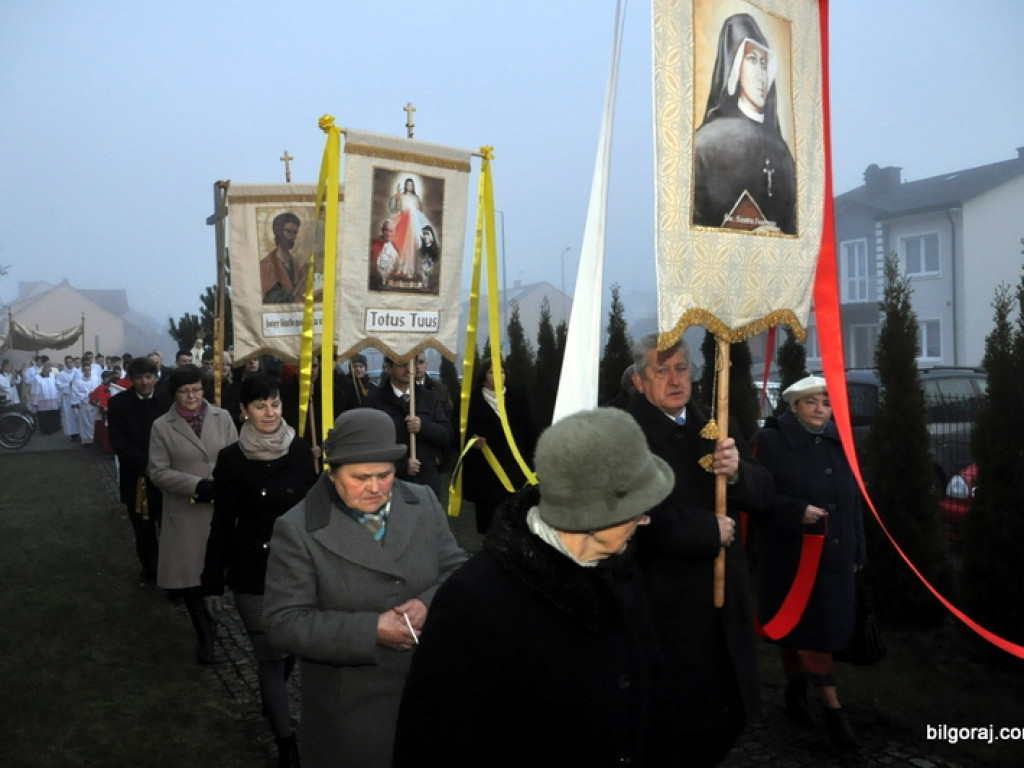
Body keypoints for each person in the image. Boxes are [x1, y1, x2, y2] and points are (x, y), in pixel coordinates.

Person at [394, 408, 677, 767]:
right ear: (589, 513)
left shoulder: (622, 569)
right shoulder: (476, 599)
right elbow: (432, 744)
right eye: (637, 511)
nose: (643, 521)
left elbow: (653, 699)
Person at [262, 408, 466, 768]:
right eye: (361, 477)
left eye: (385, 475)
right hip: (351, 717)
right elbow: (284, 623)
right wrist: (370, 630)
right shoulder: (296, 529)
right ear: (332, 472)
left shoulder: (423, 503)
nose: (375, 488)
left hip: (431, 698)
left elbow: (457, 573)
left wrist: (427, 602)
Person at [627, 333, 773, 767]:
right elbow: (631, 515)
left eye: (682, 369)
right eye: (661, 371)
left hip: (725, 604)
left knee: (726, 716)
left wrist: (738, 475)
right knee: (675, 725)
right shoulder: (627, 434)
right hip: (665, 602)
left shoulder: (716, 421)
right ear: (639, 382)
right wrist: (705, 530)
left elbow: (765, 492)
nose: (675, 380)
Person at [202, 374, 317, 767]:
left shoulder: (301, 451)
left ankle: (275, 701)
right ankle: (286, 741)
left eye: (275, 404)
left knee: (292, 649)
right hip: (253, 568)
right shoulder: (231, 459)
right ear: (243, 411)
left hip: (298, 567)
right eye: (260, 405)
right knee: (269, 653)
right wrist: (212, 582)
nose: (270, 413)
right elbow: (221, 524)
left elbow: (315, 510)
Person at [754, 375, 865, 750]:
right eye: (812, 402)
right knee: (809, 631)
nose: (821, 410)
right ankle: (834, 711)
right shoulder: (770, 442)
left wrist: (857, 550)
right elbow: (756, 496)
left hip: (836, 557)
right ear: (795, 406)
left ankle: (796, 688)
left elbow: (853, 502)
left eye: (826, 403)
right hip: (793, 558)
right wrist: (794, 511)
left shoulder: (839, 441)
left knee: (815, 632)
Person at [148, 365, 238, 663]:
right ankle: (205, 636)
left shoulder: (222, 417)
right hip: (185, 511)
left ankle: (212, 623)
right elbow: (158, 471)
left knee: (214, 572)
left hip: (219, 510)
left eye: (197, 390)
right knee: (189, 578)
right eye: (185, 391)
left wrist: (227, 486)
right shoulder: (162, 426)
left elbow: (237, 455)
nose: (192, 396)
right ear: (174, 393)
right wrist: (198, 486)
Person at [693, 12, 796, 234]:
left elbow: (796, 225)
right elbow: (691, 226)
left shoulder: (782, 152)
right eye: (751, 60)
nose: (762, 74)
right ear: (734, 67)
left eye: (763, 62)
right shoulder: (704, 145)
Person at [108, 357, 171, 587]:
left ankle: (172, 573)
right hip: (136, 477)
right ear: (131, 380)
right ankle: (151, 571)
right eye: (139, 378)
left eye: (149, 377)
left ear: (155, 377)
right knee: (143, 528)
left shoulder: (168, 401)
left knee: (170, 527)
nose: (145, 382)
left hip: (167, 477)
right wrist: (146, 464)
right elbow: (118, 441)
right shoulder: (118, 404)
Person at [461, 358, 536, 534]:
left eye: (501, 372)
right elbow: (456, 435)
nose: (497, 376)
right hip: (484, 474)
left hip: (516, 473)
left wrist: (532, 466)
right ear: (483, 376)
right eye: (491, 372)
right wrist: (471, 443)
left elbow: (530, 433)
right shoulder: (470, 400)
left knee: (515, 525)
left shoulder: (517, 398)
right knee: (489, 526)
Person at [368, 357, 453, 498]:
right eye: (402, 364)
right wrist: (401, 465)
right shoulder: (374, 401)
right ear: (389, 367)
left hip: (426, 481)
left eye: (412, 364)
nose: (408, 369)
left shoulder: (430, 398)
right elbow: (372, 445)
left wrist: (423, 427)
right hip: (390, 484)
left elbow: (447, 434)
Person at [260, 212, 308, 304]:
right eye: (288, 231)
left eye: (295, 232)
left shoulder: (293, 262)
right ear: (279, 232)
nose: (292, 236)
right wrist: (300, 281)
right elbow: (275, 302)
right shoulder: (267, 265)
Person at [70, 360, 103, 446]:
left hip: (94, 405)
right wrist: (86, 395)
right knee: (84, 423)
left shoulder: (96, 380)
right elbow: (75, 392)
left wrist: (95, 396)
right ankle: (86, 441)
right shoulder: (78, 381)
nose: (87, 372)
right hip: (84, 404)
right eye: (86, 370)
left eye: (89, 370)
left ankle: (95, 439)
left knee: (94, 423)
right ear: (82, 371)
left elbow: (100, 391)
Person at [28, 359, 61, 434]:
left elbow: (55, 387)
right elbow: (35, 390)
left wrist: (58, 398)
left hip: (53, 400)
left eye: (49, 371)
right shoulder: (37, 378)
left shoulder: (52, 376)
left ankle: (54, 428)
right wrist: (34, 402)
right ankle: (45, 430)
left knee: (53, 415)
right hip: (42, 400)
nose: (47, 372)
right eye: (46, 371)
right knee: (44, 416)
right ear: (42, 371)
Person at [56, 355, 80, 442]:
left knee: (78, 415)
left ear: (73, 362)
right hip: (67, 398)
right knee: (69, 417)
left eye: (70, 361)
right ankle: (73, 435)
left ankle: (80, 434)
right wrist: (68, 385)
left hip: (76, 397)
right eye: (67, 362)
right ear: (65, 363)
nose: (69, 363)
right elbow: (58, 385)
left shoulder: (78, 372)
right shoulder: (62, 374)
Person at [370, 219, 399, 290]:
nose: (388, 234)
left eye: (391, 231)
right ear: (382, 231)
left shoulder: (395, 248)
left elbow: (397, 267)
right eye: (386, 230)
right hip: (375, 284)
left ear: (394, 232)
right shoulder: (374, 246)